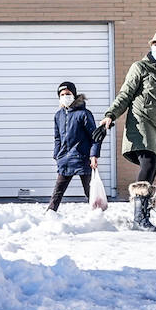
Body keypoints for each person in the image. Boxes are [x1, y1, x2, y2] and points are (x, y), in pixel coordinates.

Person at [95, 31, 156, 232]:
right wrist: (111, 115)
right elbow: (126, 94)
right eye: (154, 44)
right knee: (147, 161)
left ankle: (143, 213)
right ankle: (139, 219)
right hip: (140, 124)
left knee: (152, 168)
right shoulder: (140, 68)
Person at [50, 81, 101, 212]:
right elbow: (57, 138)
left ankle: (98, 216)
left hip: (82, 159)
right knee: (57, 192)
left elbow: (95, 137)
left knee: (90, 191)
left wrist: (93, 155)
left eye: (68, 93)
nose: (65, 96)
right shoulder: (58, 115)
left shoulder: (84, 114)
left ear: (74, 94)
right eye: (62, 94)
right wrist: (57, 155)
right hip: (64, 160)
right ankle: (50, 215)